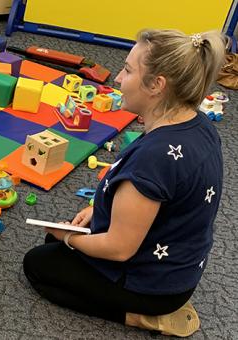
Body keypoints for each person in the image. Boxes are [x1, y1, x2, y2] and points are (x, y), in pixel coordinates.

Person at [23, 29, 225, 337]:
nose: (117, 77)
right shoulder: (193, 122)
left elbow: (118, 249)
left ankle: (144, 317)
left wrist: (69, 238)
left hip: (154, 285)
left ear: (157, 85)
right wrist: (96, 209)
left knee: (38, 265)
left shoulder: (153, 159)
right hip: (180, 267)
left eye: (128, 70)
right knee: (59, 243)